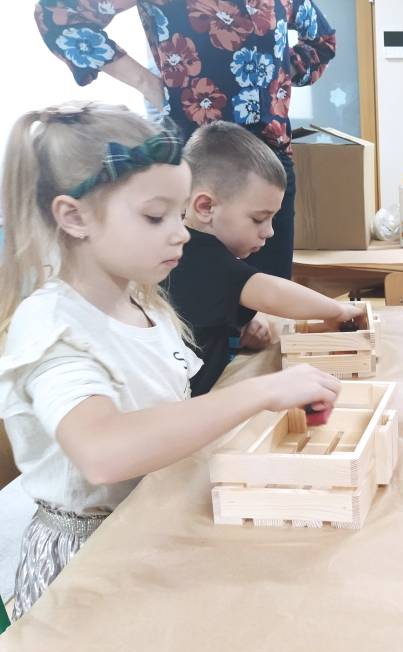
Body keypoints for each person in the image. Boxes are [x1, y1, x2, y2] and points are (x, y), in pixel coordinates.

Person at [0, 103, 340, 619]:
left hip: (153, 520)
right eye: (155, 217)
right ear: (74, 217)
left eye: (178, 214)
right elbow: (102, 452)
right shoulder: (52, 328)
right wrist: (261, 391)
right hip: (89, 566)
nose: (181, 233)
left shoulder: (146, 301)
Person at [34, 0, 336, 280]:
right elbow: (58, 15)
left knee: (271, 299)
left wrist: (277, 75)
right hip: (193, 166)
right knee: (193, 299)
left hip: (268, 162)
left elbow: (322, 41)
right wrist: (145, 82)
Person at [165, 121, 363, 395]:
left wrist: (243, 323)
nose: (269, 232)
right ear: (206, 207)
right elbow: (271, 293)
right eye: (259, 219)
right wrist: (337, 311)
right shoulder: (198, 255)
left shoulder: (194, 251)